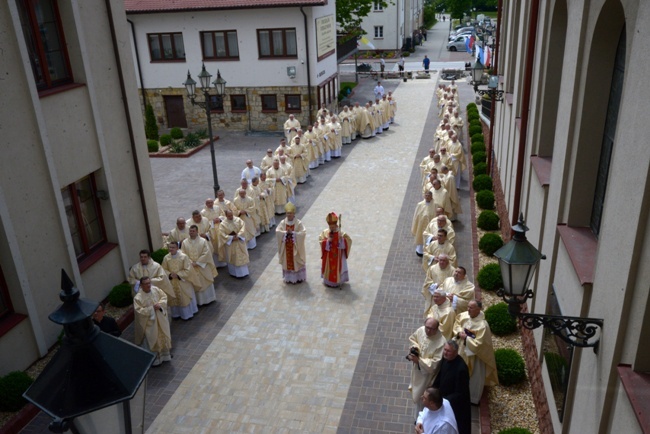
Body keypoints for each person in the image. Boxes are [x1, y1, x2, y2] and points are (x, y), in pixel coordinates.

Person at [454, 300, 499, 404]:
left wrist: (467, 339)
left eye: (471, 308)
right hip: (461, 349)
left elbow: (479, 344)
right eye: (468, 307)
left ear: (479, 309)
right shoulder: (465, 315)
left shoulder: (483, 326)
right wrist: (459, 331)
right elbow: (457, 323)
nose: (468, 309)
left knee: (474, 377)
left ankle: (471, 398)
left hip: (474, 355)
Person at [407, 318, 446, 418]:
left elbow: (434, 364)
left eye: (432, 329)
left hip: (427, 377)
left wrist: (419, 361)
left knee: (424, 397)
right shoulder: (421, 330)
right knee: (418, 399)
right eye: (427, 328)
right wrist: (415, 348)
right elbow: (413, 339)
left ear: (437, 328)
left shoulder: (441, 342)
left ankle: (421, 419)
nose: (428, 331)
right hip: (417, 371)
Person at [432, 340, 471, 434]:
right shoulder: (446, 359)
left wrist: (442, 400)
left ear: (456, 352)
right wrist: (433, 389)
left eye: (448, 351)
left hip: (455, 406)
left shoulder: (461, 369)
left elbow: (460, 393)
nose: (445, 352)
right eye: (445, 349)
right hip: (444, 399)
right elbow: (440, 375)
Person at [133, 277, 172, 366]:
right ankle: (155, 360)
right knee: (152, 339)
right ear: (141, 285)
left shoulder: (156, 289)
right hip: (150, 323)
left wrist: (160, 304)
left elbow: (164, 297)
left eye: (149, 283)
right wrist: (151, 309)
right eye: (146, 284)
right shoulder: (138, 298)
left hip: (160, 320)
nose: (148, 285)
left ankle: (165, 356)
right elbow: (139, 311)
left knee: (163, 336)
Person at [181, 225, 218, 306]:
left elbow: (206, 252)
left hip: (202, 266)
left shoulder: (203, 241)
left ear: (197, 231)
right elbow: (183, 254)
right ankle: (198, 301)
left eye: (193, 231)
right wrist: (190, 262)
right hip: (191, 266)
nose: (191, 232)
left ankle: (209, 299)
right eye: (190, 231)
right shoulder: (185, 242)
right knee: (195, 282)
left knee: (205, 281)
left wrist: (197, 262)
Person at [161, 241, 198, 320]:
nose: (171, 249)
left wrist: (178, 275)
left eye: (173, 247)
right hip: (172, 282)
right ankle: (176, 314)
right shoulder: (166, 258)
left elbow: (188, 270)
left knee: (184, 298)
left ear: (177, 248)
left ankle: (187, 315)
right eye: (170, 247)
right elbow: (163, 269)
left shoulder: (184, 257)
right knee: (173, 297)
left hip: (182, 281)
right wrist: (170, 274)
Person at [275, 203, 307, 283]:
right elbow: (278, 231)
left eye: (290, 213)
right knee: (287, 261)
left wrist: (293, 233)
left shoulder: (298, 223)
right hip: (286, 247)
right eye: (287, 213)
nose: (289, 215)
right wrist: (285, 233)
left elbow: (303, 233)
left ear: (294, 213)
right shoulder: (283, 223)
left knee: (296, 261)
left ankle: (298, 277)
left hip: (295, 247)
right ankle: (289, 278)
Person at [319, 212, 352, 288]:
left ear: (336, 225)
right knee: (329, 267)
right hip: (328, 256)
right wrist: (327, 241)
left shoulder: (341, 233)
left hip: (338, 256)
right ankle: (328, 281)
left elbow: (349, 240)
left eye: (333, 227)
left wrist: (342, 240)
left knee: (337, 268)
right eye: (330, 227)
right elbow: (321, 240)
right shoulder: (325, 232)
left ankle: (337, 282)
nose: (332, 229)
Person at [218, 209, 250, 278]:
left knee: (241, 255)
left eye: (231, 215)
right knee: (232, 257)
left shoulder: (238, 220)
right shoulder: (223, 224)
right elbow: (221, 234)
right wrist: (231, 238)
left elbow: (243, 228)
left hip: (239, 241)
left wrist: (238, 236)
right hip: (230, 244)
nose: (231, 217)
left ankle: (244, 272)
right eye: (229, 216)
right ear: (226, 216)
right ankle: (234, 273)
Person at [412, 191, 437, 256]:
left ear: (431, 196)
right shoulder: (420, 204)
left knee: (430, 239)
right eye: (426, 195)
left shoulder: (435, 205)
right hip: (421, 225)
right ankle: (420, 251)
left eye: (429, 195)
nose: (427, 197)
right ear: (424, 196)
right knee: (421, 237)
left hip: (430, 226)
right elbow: (416, 216)